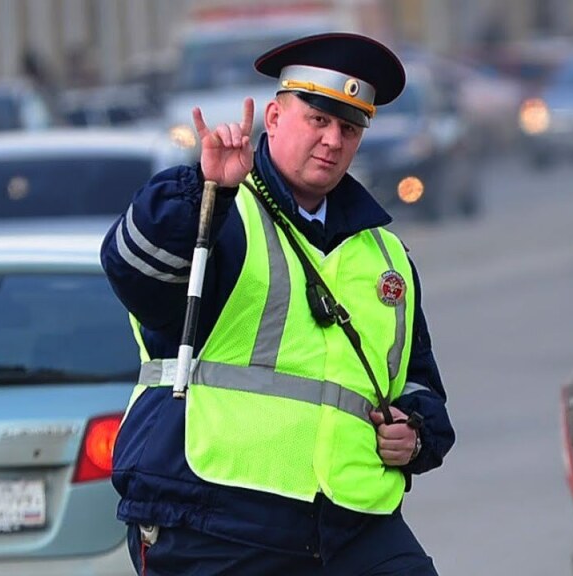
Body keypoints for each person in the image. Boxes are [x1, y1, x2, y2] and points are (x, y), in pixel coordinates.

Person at [100, 32, 456, 575]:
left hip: (349, 523)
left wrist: (416, 433)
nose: (332, 140)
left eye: (349, 128)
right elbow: (132, 267)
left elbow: (416, 382)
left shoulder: (385, 255)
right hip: (216, 517)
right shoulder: (220, 214)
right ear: (273, 117)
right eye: (318, 119)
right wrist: (204, 190)